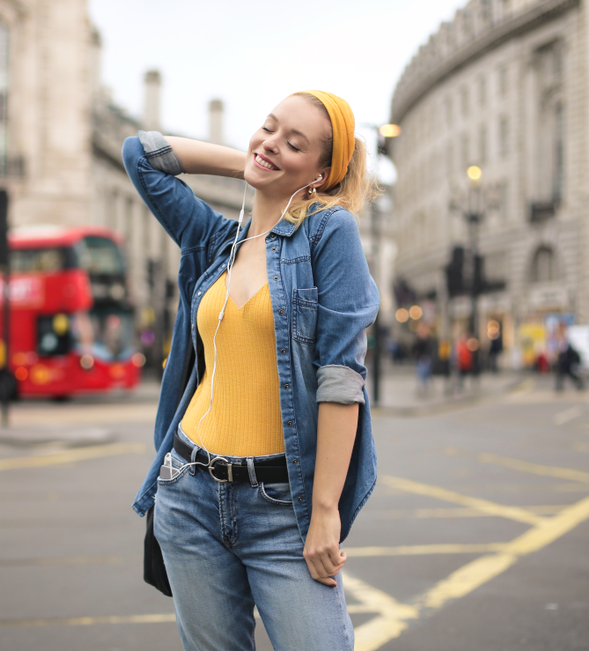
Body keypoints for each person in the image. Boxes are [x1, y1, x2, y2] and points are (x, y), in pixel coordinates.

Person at [123, 90, 380, 651]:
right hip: (186, 491)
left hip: (281, 509)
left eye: (295, 144)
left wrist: (325, 513)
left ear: (321, 172)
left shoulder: (327, 234)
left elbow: (342, 379)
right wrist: (248, 162)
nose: (272, 144)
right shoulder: (217, 241)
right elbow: (141, 155)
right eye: (268, 128)